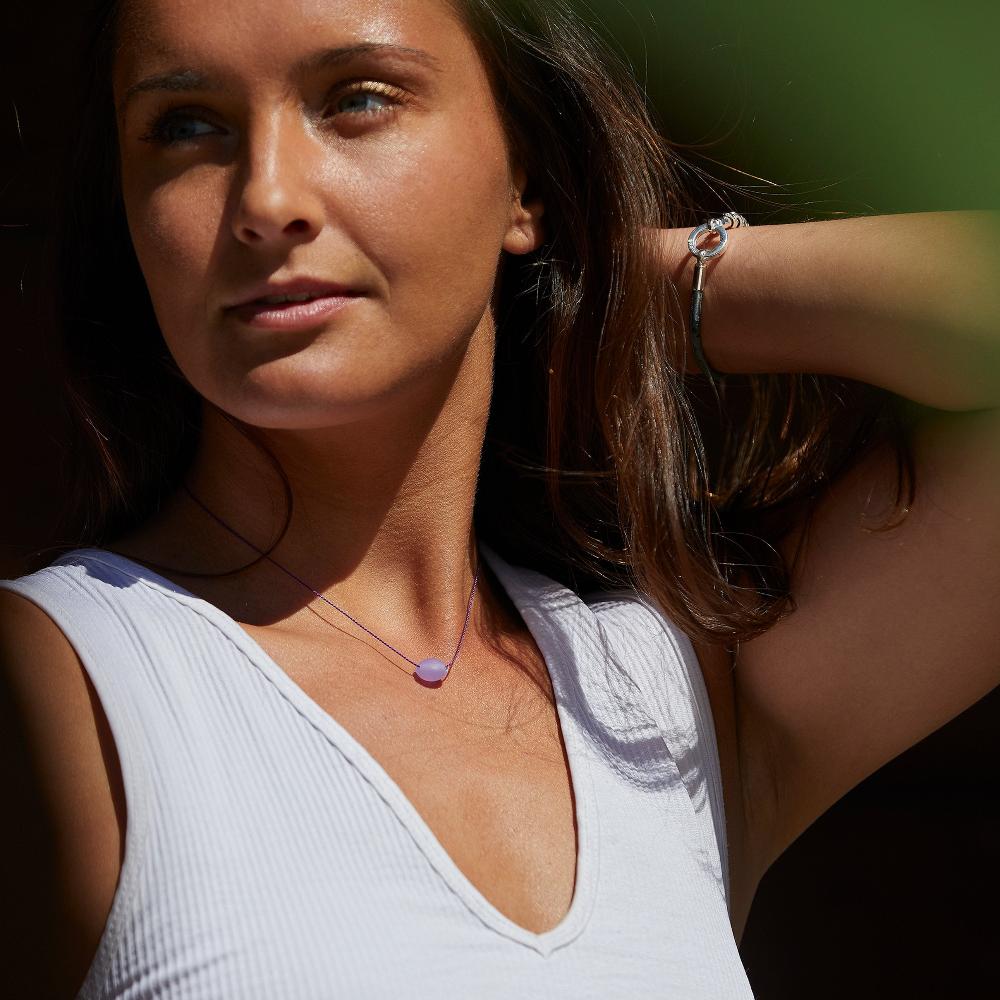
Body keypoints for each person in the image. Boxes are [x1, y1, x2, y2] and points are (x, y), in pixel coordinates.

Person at [1, 0, 997, 996]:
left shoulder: (661, 697)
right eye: (186, 125)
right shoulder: (63, 683)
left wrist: (630, 280)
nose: (266, 195)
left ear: (525, 171)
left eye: (356, 99)